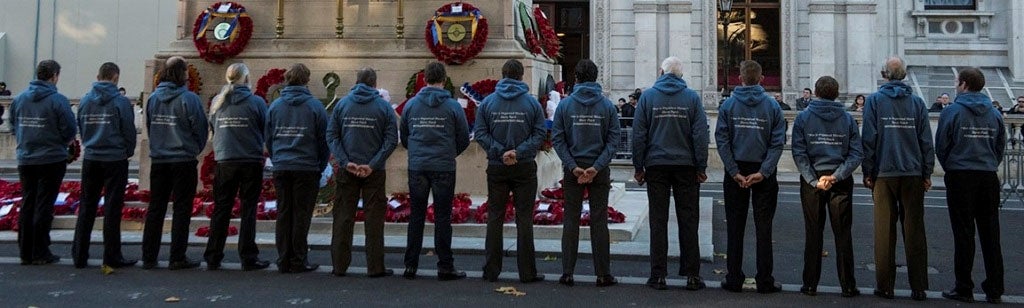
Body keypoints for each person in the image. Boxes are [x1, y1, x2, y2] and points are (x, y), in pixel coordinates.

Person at [632, 57, 709, 291]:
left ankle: (658, 275)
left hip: (656, 165)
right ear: (681, 75)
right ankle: (692, 275)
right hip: (686, 166)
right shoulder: (692, 98)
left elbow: (639, 134)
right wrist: (701, 167)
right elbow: (700, 135)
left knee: (658, 221)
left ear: (661, 72)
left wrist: (638, 167)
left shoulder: (647, 97)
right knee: (688, 221)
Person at [861, 56, 933, 301]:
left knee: (884, 232)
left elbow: (869, 138)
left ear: (884, 75)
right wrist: (927, 172)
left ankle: (885, 285)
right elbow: (926, 141)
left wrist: (868, 171)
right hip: (912, 172)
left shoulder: (874, 101)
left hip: (884, 173)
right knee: (915, 231)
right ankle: (919, 286)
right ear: (904, 75)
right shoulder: (917, 103)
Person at [715, 60, 786, 294]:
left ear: (740, 78)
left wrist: (734, 171)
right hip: (763, 170)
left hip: (737, 170)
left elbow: (722, 140)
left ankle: (734, 277)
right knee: (764, 228)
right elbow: (777, 143)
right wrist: (764, 171)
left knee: (735, 227)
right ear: (762, 79)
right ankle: (764, 279)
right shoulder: (772, 106)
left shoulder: (728, 106)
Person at [936, 67, 1006, 304]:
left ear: (964, 84)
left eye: (957, 82)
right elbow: (1000, 145)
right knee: (991, 234)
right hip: (987, 176)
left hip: (961, 175)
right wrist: (988, 163)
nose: (956, 85)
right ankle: (995, 287)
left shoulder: (953, 111)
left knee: (963, 234)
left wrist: (952, 166)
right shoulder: (994, 113)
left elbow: (942, 145)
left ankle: (964, 286)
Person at [475, 59, 547, 283]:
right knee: (524, 218)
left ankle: (491, 270)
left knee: (495, 217)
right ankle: (527, 272)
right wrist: (519, 152)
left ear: (503, 75)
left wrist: (500, 151)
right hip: (524, 166)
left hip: (497, 166)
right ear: (522, 76)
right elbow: (539, 133)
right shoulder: (532, 104)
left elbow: (480, 132)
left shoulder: (488, 103)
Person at [791, 76, 862, 297]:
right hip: (839, 181)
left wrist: (813, 179)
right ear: (836, 92)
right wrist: (837, 176)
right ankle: (848, 285)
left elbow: (799, 152)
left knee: (813, 232)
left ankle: (810, 283)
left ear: (816, 92)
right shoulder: (847, 119)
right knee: (843, 234)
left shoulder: (803, 118)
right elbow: (855, 153)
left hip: (813, 181)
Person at [552, 59, 620, 287]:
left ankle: (567, 272)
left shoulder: (565, 105)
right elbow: (613, 140)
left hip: (574, 169)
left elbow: (558, 139)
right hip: (597, 170)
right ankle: (603, 273)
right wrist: (597, 167)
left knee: (570, 220)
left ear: (577, 78)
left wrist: (572, 166)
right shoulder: (607, 106)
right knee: (599, 221)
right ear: (596, 77)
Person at [400, 62, 470, 281]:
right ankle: (445, 266)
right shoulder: (452, 106)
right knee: (442, 217)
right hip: (443, 166)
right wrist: (449, 153)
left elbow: (405, 136)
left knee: (417, 216)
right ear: (444, 79)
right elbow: (463, 137)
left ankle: (411, 265)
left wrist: (418, 153)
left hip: (418, 166)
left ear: (425, 78)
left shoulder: (411, 105)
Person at [327, 67, 398, 278]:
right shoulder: (383, 108)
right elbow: (391, 140)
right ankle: (375, 266)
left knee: (342, 217)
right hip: (373, 172)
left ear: (357, 82)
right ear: (375, 84)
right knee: (374, 219)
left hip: (348, 170)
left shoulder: (342, 105)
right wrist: (373, 164)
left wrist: (345, 161)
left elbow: (332, 136)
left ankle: (339, 265)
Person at [202, 63, 271, 271]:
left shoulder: (218, 102)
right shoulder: (256, 102)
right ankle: (248, 255)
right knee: (248, 209)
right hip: (249, 159)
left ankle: (213, 254)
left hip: (226, 159)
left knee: (222, 209)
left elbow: (213, 126)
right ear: (247, 79)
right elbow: (265, 128)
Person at [142, 56, 208, 270]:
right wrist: (193, 149)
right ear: (182, 75)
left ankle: (149, 255)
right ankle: (177, 256)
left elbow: (150, 125)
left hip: (160, 158)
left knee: (156, 207)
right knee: (181, 208)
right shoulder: (189, 99)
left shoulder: (153, 99)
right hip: (182, 159)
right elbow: (199, 128)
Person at [71, 62, 137, 269]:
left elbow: (80, 126)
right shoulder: (121, 102)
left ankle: (79, 254)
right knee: (112, 208)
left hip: (92, 158)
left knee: (87, 207)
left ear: (98, 76)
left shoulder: (85, 101)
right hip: (115, 158)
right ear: (116, 77)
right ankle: (111, 255)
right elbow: (128, 131)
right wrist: (126, 151)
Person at [10, 60, 76, 265]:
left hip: (26, 156)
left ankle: (25, 250)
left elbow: (13, 124)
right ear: (54, 76)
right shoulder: (58, 100)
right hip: (51, 157)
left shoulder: (19, 99)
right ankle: (40, 250)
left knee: (28, 202)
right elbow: (69, 129)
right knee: (44, 204)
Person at [266, 63, 328, 274]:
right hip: (306, 166)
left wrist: (277, 158)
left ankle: (284, 258)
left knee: (284, 212)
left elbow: (269, 137)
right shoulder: (314, 106)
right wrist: (320, 165)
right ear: (306, 80)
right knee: (301, 214)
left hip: (283, 164)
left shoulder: (275, 106)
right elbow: (323, 140)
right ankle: (298, 259)